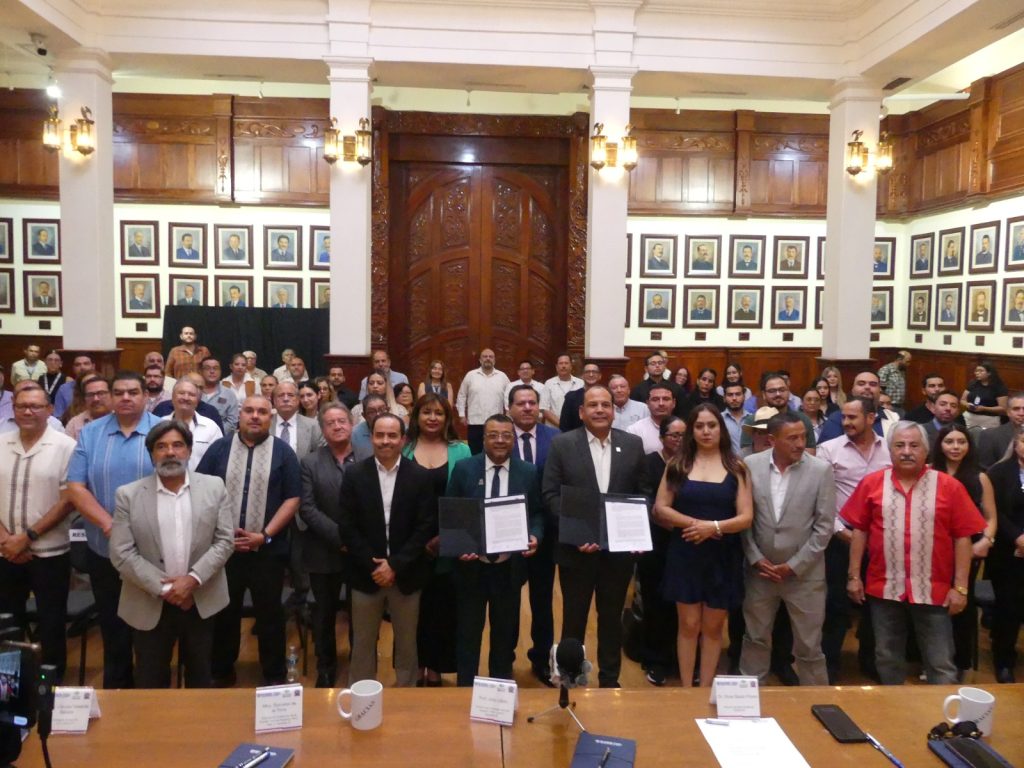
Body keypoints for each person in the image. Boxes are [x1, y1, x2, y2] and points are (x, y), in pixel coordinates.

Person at [844, 422, 985, 684]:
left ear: (926, 450)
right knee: (886, 657)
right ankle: (894, 707)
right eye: (900, 445)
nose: (907, 451)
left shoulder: (949, 486)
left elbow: (963, 538)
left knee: (940, 662)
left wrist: (961, 588)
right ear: (890, 450)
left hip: (934, 590)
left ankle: (942, 710)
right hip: (883, 588)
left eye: (914, 445)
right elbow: (859, 531)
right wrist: (854, 577)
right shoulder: (871, 484)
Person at [109, 420, 234, 688]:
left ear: (188, 450)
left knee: (201, 680)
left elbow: (225, 541)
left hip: (200, 599)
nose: (170, 452)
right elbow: (121, 552)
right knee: (150, 683)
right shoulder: (128, 495)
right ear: (152, 454)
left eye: (177, 445)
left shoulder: (214, 487)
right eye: (161, 446)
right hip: (148, 600)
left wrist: (191, 581)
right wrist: (168, 589)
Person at [543, 385, 650, 688]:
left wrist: (636, 532)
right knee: (574, 619)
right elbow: (550, 495)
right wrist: (575, 532)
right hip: (576, 552)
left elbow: (644, 493)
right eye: (593, 405)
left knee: (611, 618)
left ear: (614, 411)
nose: (600, 410)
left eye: (606, 404)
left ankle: (610, 681)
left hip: (617, 553)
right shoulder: (562, 444)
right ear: (581, 412)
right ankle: (570, 678)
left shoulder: (632, 445)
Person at [66, 371, 163, 688]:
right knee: (113, 624)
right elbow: (76, 487)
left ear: (145, 396)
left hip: (152, 551)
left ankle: (152, 691)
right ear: (110, 396)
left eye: (133, 392)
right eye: (118, 392)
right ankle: (118, 689)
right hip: (103, 547)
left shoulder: (164, 431)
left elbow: (176, 484)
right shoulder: (91, 434)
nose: (125, 398)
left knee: (151, 627)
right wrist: (110, 525)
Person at [196, 395, 301, 687]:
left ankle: (274, 675)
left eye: (262, 412)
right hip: (224, 550)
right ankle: (221, 671)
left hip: (267, 550)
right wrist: (220, 533)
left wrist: (264, 535)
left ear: (271, 418)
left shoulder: (283, 452)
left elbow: (293, 498)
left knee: (270, 615)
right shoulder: (219, 449)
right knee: (224, 613)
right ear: (240, 415)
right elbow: (200, 491)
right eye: (249, 411)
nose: (255, 416)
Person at [654, 404, 752, 687]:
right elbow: (661, 508)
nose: (706, 431)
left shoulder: (737, 467)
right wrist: (697, 525)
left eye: (712, 425)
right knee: (688, 625)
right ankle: (687, 689)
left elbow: (746, 517)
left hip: (722, 556)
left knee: (713, 627)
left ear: (721, 429)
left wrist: (714, 528)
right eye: (699, 426)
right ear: (691, 431)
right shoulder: (677, 465)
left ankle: (705, 688)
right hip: (685, 553)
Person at [338, 413, 435, 686]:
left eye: (392, 435)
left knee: (407, 643)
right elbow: (347, 526)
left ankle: (405, 696)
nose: (385, 441)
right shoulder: (354, 475)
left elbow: (425, 527)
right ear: (371, 438)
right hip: (365, 574)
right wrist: (375, 566)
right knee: (362, 644)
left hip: (407, 574)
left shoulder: (420, 476)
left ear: (403, 440)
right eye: (379, 435)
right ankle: (362, 696)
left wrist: (394, 565)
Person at [740, 412, 834, 685]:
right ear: (772, 440)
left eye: (803, 437)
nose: (800, 443)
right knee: (755, 638)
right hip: (761, 572)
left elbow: (824, 527)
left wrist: (794, 566)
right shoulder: (750, 465)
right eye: (792, 438)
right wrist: (755, 558)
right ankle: (749, 697)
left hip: (805, 575)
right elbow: (745, 519)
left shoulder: (820, 470)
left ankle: (817, 700)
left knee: (809, 645)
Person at [447, 414, 541, 686]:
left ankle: (500, 690)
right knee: (468, 634)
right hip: (471, 568)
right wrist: (459, 545)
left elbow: (537, 513)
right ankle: (465, 689)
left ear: (513, 439)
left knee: (504, 635)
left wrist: (535, 535)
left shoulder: (528, 472)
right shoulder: (464, 469)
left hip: (508, 569)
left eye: (506, 435)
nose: (500, 440)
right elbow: (452, 513)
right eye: (493, 435)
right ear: (483, 438)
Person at [0, 385, 76, 680]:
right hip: (5, 552)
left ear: (50, 410)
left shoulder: (66, 446)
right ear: (13, 410)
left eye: (35, 406)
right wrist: (7, 540)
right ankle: (10, 687)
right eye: (21, 406)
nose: (28, 411)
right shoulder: (1, 443)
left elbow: (68, 501)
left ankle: (50, 686)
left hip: (50, 554)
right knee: (7, 624)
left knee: (51, 624)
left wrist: (27, 537)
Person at [816, 396, 892, 683]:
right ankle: (829, 663)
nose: (846, 422)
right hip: (841, 536)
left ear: (871, 418)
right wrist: (841, 532)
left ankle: (870, 659)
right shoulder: (829, 450)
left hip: (881, 537)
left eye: (852, 417)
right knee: (835, 603)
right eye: (844, 417)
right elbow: (821, 499)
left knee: (877, 604)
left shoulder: (889, 450)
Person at [401, 393, 471, 686]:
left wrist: (446, 536)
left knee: (442, 606)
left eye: (438, 413)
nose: (432, 418)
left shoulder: (461, 450)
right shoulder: (404, 449)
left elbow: (467, 498)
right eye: (426, 412)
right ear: (416, 417)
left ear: (447, 418)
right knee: (412, 608)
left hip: (449, 541)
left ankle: (436, 667)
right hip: (410, 542)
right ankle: (415, 665)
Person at [929, 424, 997, 678]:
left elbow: (990, 516)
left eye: (961, 442)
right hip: (934, 550)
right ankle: (931, 660)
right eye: (950, 442)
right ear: (940, 445)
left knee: (961, 604)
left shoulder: (980, 477)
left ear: (969, 446)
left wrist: (986, 540)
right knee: (931, 604)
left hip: (969, 550)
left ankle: (959, 662)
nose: (955, 447)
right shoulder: (929, 472)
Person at [298, 403, 357, 687]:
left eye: (342, 420)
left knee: (361, 613)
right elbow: (307, 508)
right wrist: (340, 538)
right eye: (330, 422)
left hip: (360, 552)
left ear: (351, 424)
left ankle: (361, 665)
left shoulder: (368, 457)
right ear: (322, 429)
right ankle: (326, 668)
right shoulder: (309, 462)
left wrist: (354, 541)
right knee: (323, 614)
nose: (337, 426)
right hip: (322, 550)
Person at [506, 384, 560, 684]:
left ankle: (541, 658)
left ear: (539, 407)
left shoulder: (556, 438)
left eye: (532, 403)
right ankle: (505, 658)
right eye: (521, 403)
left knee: (542, 599)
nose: (527, 408)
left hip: (547, 532)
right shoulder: (499, 436)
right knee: (508, 599)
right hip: (507, 530)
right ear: (509, 409)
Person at [636, 415, 685, 686]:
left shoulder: (694, 463)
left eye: (683, 435)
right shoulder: (649, 462)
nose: (679, 439)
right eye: (674, 435)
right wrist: (666, 521)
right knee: (655, 602)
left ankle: (682, 660)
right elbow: (644, 499)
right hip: (655, 541)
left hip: (687, 541)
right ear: (662, 437)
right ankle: (655, 659)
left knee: (684, 604)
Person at [986, 427, 1024, 683]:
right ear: (1016, 443)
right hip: (1008, 551)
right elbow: (994, 511)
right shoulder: (998, 472)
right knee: (1009, 608)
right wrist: (1018, 538)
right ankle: (1004, 661)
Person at [741, 373, 817, 453]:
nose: (778, 394)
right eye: (772, 391)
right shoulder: (753, 420)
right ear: (764, 394)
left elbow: (811, 452)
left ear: (788, 392)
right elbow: (745, 452)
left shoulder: (802, 419)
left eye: (782, 390)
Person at [817, 369, 897, 443]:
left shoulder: (893, 418)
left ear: (880, 390)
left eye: (873, 384)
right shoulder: (836, 418)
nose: (867, 387)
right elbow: (826, 451)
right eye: (861, 384)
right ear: (852, 390)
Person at [456, 348, 510, 454]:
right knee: (474, 453)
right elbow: (462, 395)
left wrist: (508, 414)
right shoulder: (471, 375)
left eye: (491, 357)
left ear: (494, 360)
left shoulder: (502, 377)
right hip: (475, 422)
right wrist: (461, 415)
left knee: (494, 452)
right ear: (480, 360)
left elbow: (509, 396)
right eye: (485, 356)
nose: (488, 359)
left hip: (496, 423)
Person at [162, 378, 222, 470]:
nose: (186, 398)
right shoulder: (159, 424)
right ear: (173, 397)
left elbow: (219, 461)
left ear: (197, 401)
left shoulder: (211, 428)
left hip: (201, 479)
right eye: (181, 393)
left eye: (191, 395)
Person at [272, 381, 325, 460]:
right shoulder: (265, 425)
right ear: (274, 400)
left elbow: (322, 458)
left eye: (290, 395)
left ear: (298, 400)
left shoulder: (314, 426)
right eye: (281, 395)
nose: (286, 399)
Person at [977, 392, 1024, 470]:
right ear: (1008, 412)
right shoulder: (990, 436)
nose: (1021, 413)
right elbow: (985, 471)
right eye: (1016, 409)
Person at [627, 382, 677, 454]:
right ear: (647, 403)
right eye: (655, 399)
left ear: (674, 403)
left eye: (666, 399)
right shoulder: (634, 431)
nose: (661, 403)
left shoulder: (684, 429)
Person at [960, 361, 1007, 429]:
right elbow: (962, 400)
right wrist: (967, 405)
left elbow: (1003, 408)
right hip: (969, 417)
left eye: (981, 371)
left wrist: (984, 408)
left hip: (989, 420)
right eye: (976, 371)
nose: (977, 373)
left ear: (989, 373)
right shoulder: (972, 383)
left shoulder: (999, 387)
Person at [65, 374, 112, 440]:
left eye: (101, 393)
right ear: (84, 398)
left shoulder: (121, 419)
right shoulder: (74, 424)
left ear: (111, 395)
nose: (95, 399)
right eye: (90, 395)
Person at [558, 363, 602, 432]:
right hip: (576, 437)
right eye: (587, 372)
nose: (591, 374)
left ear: (600, 376)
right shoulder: (571, 397)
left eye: (594, 372)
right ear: (582, 376)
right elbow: (564, 425)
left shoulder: (606, 395)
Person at [542, 353, 583, 428]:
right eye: (561, 363)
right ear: (556, 367)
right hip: (553, 429)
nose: (563, 366)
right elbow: (544, 409)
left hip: (576, 429)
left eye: (566, 363)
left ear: (571, 366)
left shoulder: (580, 383)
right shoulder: (549, 383)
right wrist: (562, 426)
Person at [199, 358, 239, 433]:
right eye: (207, 368)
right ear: (200, 371)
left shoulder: (229, 394)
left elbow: (232, 422)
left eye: (215, 368)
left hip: (220, 436)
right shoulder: (194, 392)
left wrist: (216, 433)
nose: (212, 371)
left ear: (220, 371)